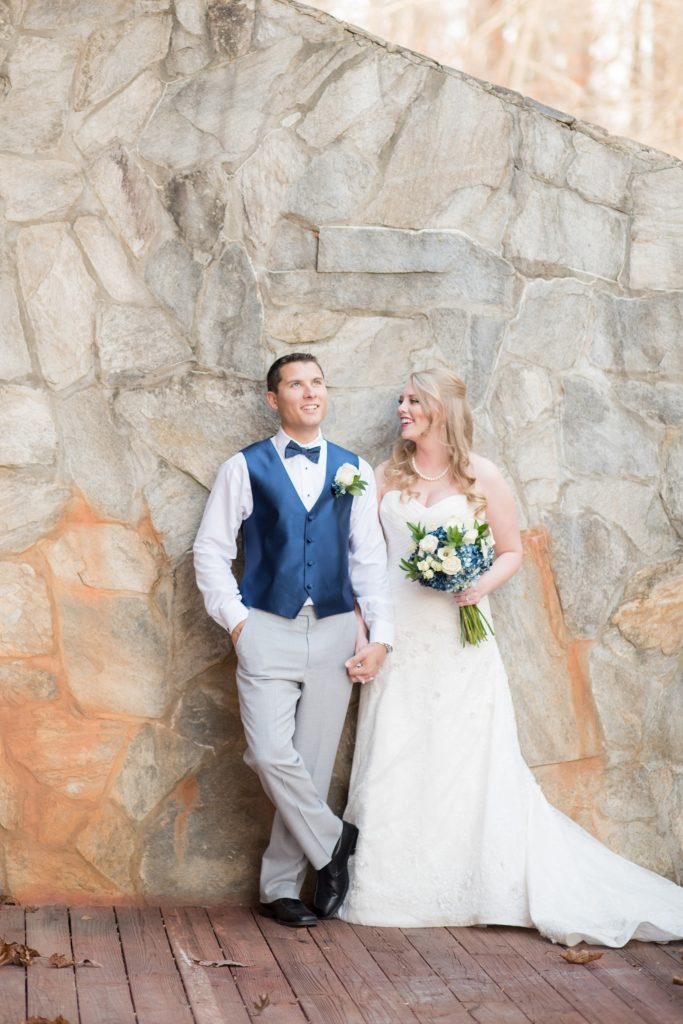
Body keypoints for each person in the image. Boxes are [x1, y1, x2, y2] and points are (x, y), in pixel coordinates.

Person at [338, 367, 683, 946]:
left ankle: (480, 884)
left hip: (460, 632)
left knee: (468, 754)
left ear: (441, 409)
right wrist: (364, 633)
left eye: (413, 400)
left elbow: (510, 550)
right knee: (395, 747)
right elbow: (361, 562)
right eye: (400, 400)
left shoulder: (482, 475)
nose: (402, 408)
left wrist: (477, 586)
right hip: (399, 632)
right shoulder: (383, 476)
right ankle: (391, 885)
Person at [193, 354, 393, 928]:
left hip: (335, 632)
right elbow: (210, 550)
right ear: (273, 399)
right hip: (266, 629)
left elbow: (369, 561)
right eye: (296, 385)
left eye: (318, 383)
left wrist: (380, 636)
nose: (310, 393)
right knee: (268, 752)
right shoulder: (244, 467)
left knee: (308, 762)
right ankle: (335, 843)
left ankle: (280, 887)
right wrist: (237, 622)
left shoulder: (354, 468)